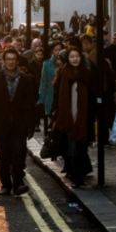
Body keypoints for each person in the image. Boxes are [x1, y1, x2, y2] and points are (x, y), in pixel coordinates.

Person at [0, 46, 36, 196]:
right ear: (3, 61)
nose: (11, 62)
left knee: (18, 153)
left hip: (19, 124)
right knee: (3, 156)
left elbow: (30, 104)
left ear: (18, 61)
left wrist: (31, 125)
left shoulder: (25, 79)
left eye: (14, 59)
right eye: (8, 59)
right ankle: (6, 184)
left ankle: (18, 183)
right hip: (0, 124)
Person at [52, 46, 95, 187]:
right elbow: (57, 96)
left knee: (82, 147)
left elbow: (93, 96)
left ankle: (78, 172)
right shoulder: (64, 74)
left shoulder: (87, 74)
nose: (75, 59)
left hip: (84, 117)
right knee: (72, 147)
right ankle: (75, 175)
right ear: (68, 59)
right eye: (72, 57)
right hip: (68, 116)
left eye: (77, 56)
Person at [38, 40, 63, 121]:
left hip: (62, 91)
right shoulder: (47, 63)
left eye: (59, 50)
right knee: (50, 114)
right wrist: (41, 98)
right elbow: (43, 81)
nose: (58, 52)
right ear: (52, 51)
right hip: (50, 91)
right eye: (55, 50)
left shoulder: (66, 63)